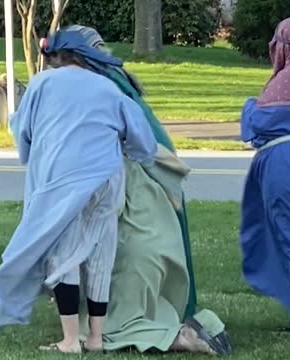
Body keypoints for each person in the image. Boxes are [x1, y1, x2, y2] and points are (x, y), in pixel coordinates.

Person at [0, 30, 158, 354]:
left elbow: (23, 132)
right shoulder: (108, 88)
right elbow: (143, 143)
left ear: (55, 58)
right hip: (106, 179)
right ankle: (95, 337)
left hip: (62, 180)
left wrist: (29, 155)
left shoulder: (41, 84)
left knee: (64, 258)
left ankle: (69, 340)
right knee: (99, 255)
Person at [68, 26, 233, 356]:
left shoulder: (97, 90)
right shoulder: (118, 80)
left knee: (109, 321)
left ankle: (180, 337)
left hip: (130, 204)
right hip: (152, 203)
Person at [240, 17, 290, 333]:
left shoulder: (280, 85)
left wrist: (249, 105)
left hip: (284, 167)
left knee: (289, 237)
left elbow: (253, 125)